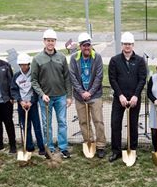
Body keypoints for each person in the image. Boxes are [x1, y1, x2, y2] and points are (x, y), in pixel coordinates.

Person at [30, 28, 74, 159]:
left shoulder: (61, 57)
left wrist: (69, 96)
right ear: (44, 41)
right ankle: (49, 148)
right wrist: (42, 94)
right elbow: (34, 80)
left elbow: (67, 78)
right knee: (46, 124)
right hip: (45, 98)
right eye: (48, 40)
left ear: (55, 42)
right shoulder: (37, 59)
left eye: (53, 40)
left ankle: (63, 147)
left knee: (62, 122)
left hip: (61, 96)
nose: (50, 43)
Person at [107, 31, 147, 162]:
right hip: (120, 99)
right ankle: (116, 151)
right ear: (122, 45)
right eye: (125, 44)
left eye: (129, 44)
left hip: (134, 99)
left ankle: (132, 149)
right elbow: (112, 79)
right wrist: (120, 95)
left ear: (133, 45)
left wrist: (136, 96)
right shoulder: (115, 60)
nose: (127, 46)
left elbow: (142, 79)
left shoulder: (140, 61)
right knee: (115, 124)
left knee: (133, 125)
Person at [68, 32, 106, 158]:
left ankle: (100, 145)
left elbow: (99, 76)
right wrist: (81, 92)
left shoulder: (97, 57)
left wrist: (90, 92)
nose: (86, 48)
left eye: (88, 45)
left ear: (91, 45)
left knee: (98, 121)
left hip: (95, 96)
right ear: (80, 46)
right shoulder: (74, 58)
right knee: (84, 122)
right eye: (84, 45)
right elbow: (72, 77)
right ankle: (89, 142)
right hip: (80, 97)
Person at [13, 52, 49, 158]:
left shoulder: (33, 75)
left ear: (29, 64)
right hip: (22, 105)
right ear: (19, 65)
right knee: (25, 126)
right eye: (22, 65)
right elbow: (14, 90)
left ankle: (41, 147)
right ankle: (29, 146)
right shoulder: (16, 76)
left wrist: (32, 101)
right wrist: (20, 101)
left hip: (32, 105)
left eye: (26, 64)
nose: (24, 67)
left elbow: (36, 89)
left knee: (37, 126)